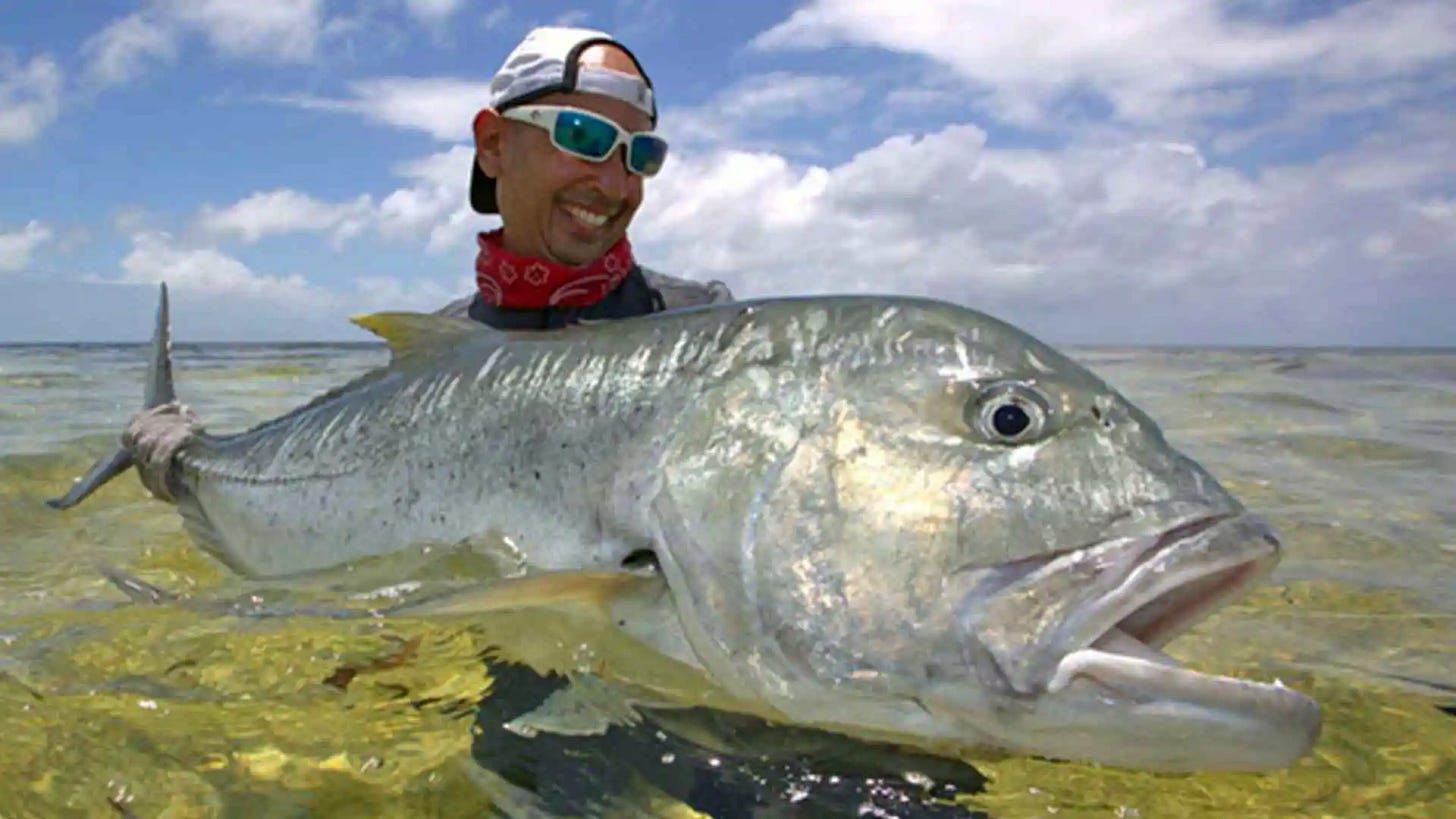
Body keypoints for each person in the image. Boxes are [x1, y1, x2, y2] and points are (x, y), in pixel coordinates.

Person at [121, 25, 732, 499]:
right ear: (493, 145)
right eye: (584, 137)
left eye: (641, 154)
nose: (614, 181)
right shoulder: (437, 349)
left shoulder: (706, 330)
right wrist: (186, 464)